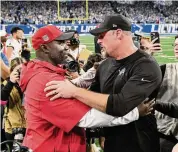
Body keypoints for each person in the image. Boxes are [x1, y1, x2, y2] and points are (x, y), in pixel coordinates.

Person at [19, 25, 154, 152]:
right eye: (60, 43)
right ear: (45, 48)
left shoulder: (42, 73)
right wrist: (134, 113)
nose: (66, 46)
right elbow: (89, 118)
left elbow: (70, 87)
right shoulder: (45, 81)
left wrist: (92, 74)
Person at [1, 57, 26, 150]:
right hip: (12, 127)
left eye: (23, 70)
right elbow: (2, 100)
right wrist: (11, 82)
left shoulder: (30, 81)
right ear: (12, 71)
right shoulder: (6, 83)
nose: (21, 73)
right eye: (18, 70)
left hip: (29, 126)